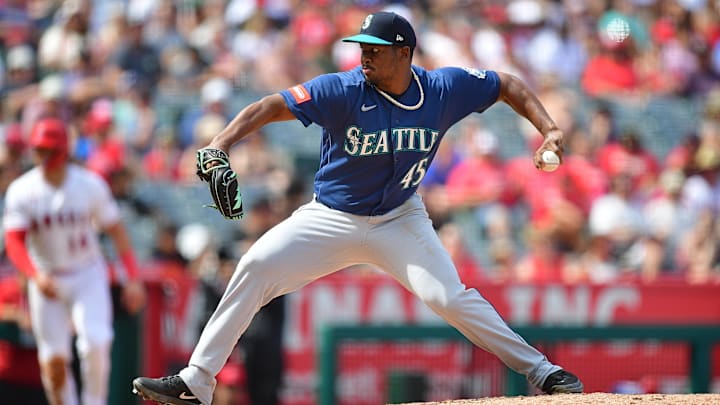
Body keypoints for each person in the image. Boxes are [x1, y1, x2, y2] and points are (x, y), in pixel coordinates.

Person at [132, 11, 583, 405]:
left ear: (403, 52)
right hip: (331, 217)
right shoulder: (343, 89)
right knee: (255, 264)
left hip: (400, 218)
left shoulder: (444, 89)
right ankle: (196, 381)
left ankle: (542, 371)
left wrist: (549, 128)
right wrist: (220, 143)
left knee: (448, 297)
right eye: (361, 47)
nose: (363, 55)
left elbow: (507, 84)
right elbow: (271, 105)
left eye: (374, 48)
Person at [3, 118, 146, 405]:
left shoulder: (89, 184)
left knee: (95, 342)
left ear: (64, 150)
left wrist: (132, 278)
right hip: (47, 276)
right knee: (54, 362)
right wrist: (34, 275)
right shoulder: (22, 189)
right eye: (38, 150)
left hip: (86, 273)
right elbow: (14, 241)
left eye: (48, 150)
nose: (42, 156)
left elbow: (116, 231)